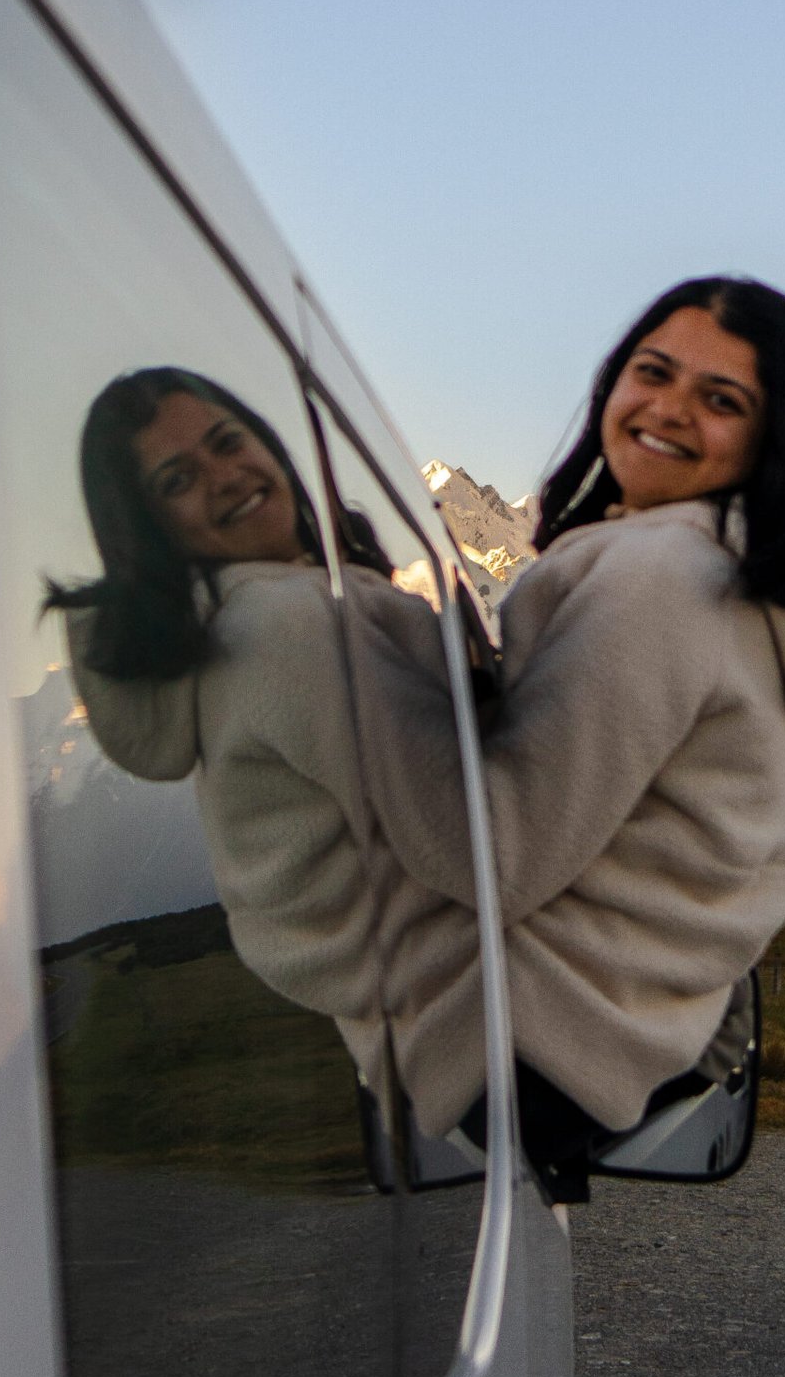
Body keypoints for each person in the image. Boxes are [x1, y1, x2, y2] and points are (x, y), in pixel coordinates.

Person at [357, 274, 785, 1195]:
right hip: (606, 1046)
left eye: (720, 400)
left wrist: (359, 680)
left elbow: (497, 852)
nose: (668, 410)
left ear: (773, 438)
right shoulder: (730, 579)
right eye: (654, 372)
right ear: (613, 381)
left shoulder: (661, 579)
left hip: (518, 1043)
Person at [46, 367, 481, 1131]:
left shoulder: (251, 631)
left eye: (227, 442)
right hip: (488, 1041)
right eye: (180, 478)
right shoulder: (290, 629)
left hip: (430, 1057)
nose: (225, 477)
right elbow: (474, 850)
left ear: (268, 443)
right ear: (153, 530)